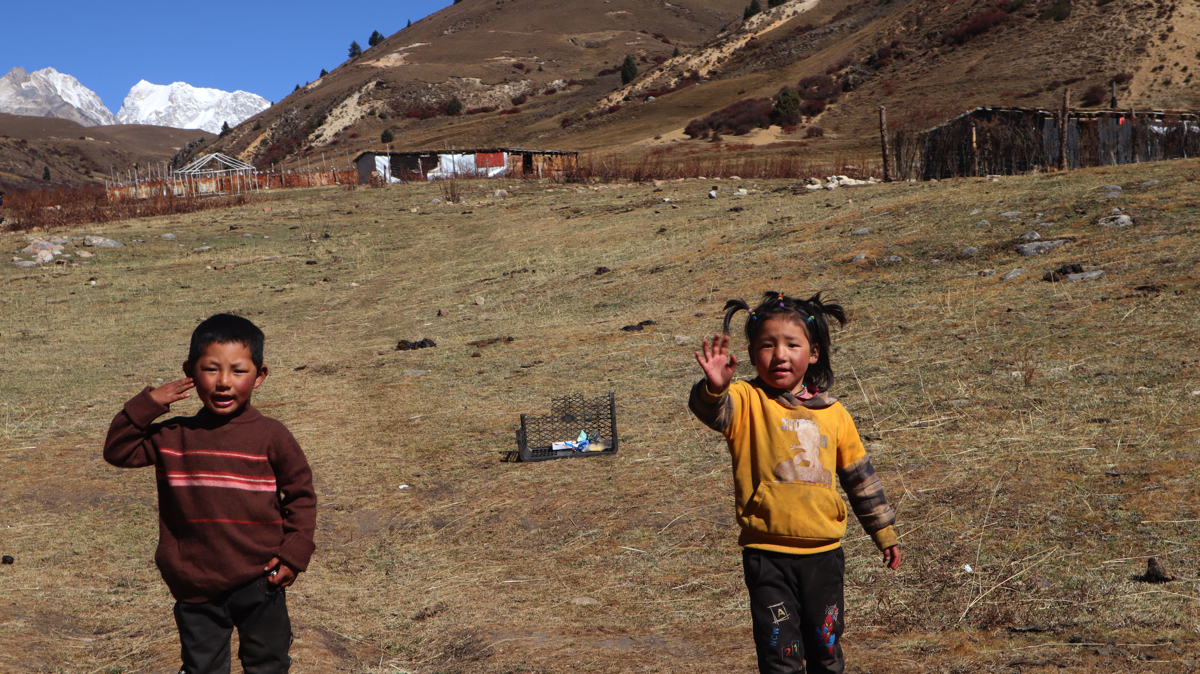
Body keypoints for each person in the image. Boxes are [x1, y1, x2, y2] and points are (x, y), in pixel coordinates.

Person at [689, 291, 901, 674]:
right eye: (766, 345)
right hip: (767, 557)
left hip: (824, 555)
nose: (779, 355)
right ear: (752, 353)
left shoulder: (835, 414)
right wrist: (715, 388)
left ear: (814, 352)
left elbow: (861, 480)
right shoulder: (745, 400)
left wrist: (883, 532)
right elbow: (711, 410)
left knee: (826, 650)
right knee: (779, 656)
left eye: (791, 344)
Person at [104, 314, 316, 674]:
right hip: (194, 581)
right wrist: (149, 403)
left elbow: (301, 495)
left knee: (268, 664)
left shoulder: (272, 436)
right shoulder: (172, 436)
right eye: (211, 369)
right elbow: (118, 451)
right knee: (202, 668)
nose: (223, 382)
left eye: (238, 371)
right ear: (190, 372)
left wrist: (293, 553)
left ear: (259, 376)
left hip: (260, 578)